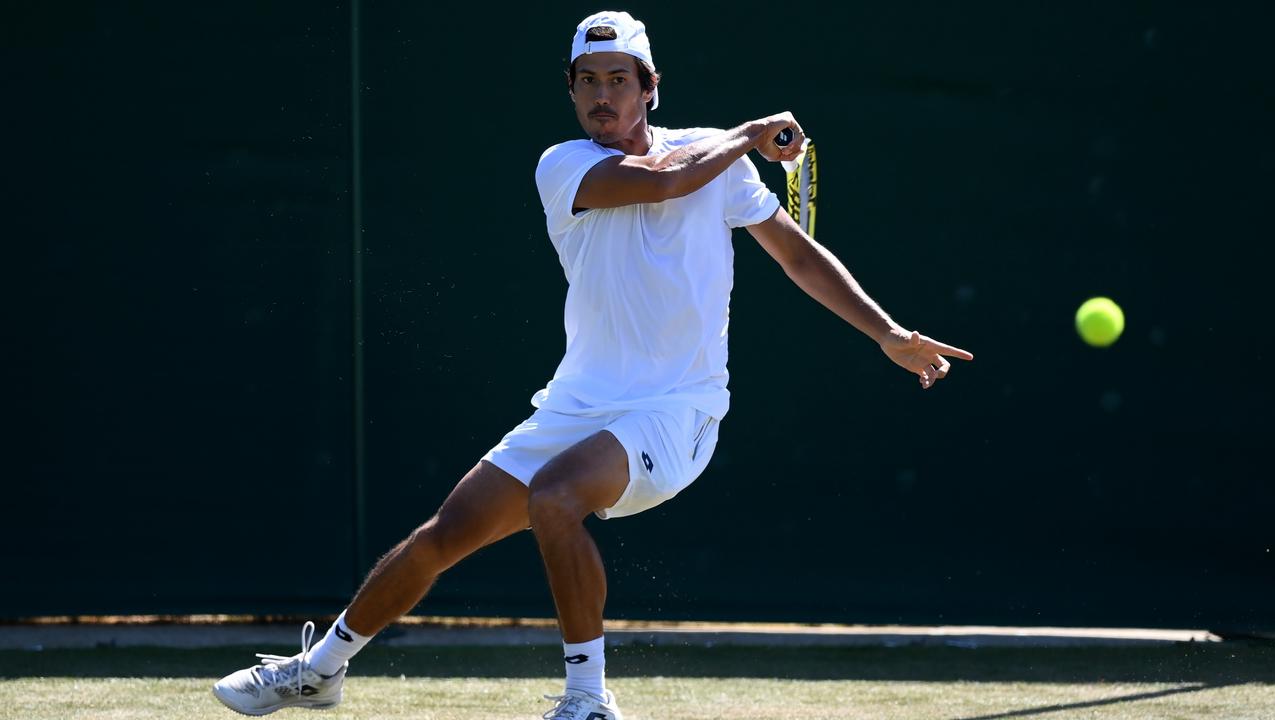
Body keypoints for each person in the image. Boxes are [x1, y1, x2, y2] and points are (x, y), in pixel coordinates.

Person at [212, 10, 973, 720]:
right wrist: (747, 135)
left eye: (620, 79)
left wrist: (888, 333)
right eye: (588, 81)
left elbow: (799, 258)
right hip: (580, 400)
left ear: (650, 88)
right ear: (572, 92)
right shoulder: (564, 164)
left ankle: (587, 699)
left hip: (679, 408)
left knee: (555, 496)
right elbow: (666, 181)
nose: (603, 96)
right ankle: (322, 669)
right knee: (445, 533)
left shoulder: (721, 161)